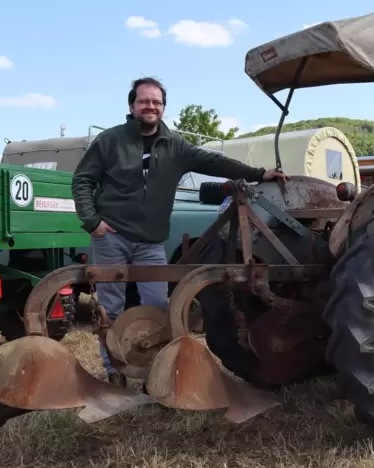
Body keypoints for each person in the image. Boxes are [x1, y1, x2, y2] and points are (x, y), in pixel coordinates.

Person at [71, 77, 287, 387]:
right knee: (111, 309)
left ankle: (152, 374)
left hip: (151, 241)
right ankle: (114, 371)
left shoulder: (175, 146)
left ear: (163, 107)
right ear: (132, 106)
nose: (151, 106)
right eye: (144, 101)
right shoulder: (109, 141)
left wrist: (259, 174)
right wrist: (92, 221)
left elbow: (215, 161)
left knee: (159, 308)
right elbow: (82, 180)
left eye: (157, 102)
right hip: (111, 237)